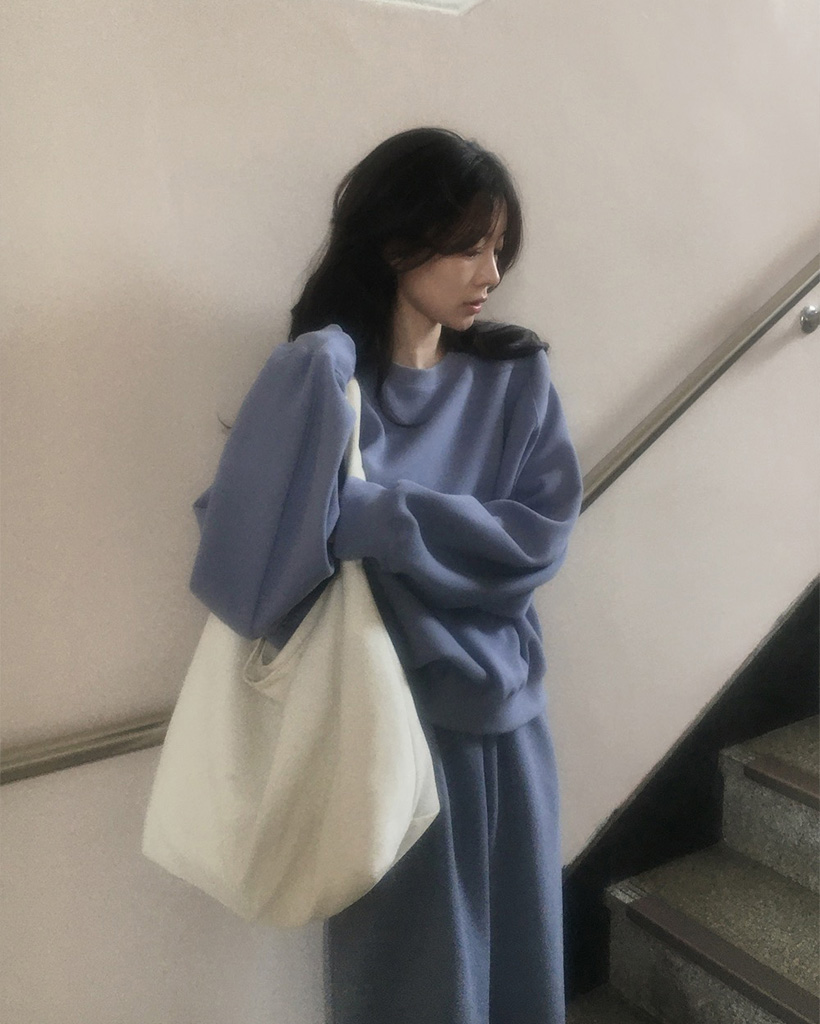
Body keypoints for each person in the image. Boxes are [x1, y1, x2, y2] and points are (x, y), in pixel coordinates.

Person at [188, 127, 584, 1024]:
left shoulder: (514, 376)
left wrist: (373, 517)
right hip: (382, 731)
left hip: (509, 720)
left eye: (499, 248)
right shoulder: (325, 378)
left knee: (522, 969)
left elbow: (536, 542)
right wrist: (309, 382)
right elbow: (242, 569)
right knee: (410, 991)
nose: (492, 273)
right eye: (471, 246)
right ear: (399, 242)